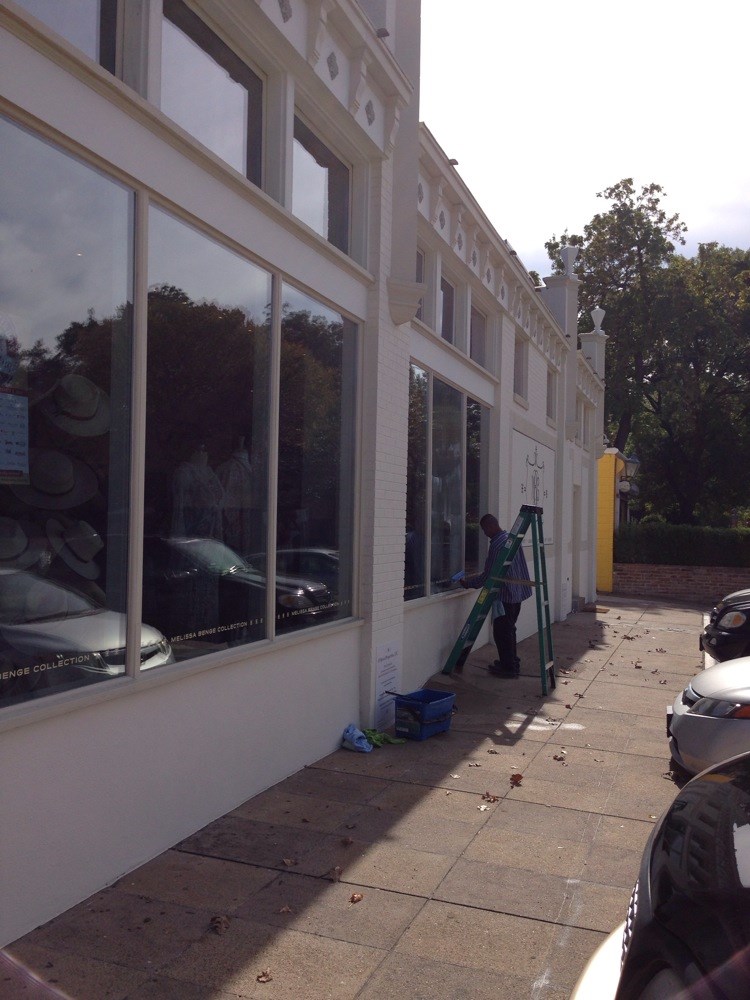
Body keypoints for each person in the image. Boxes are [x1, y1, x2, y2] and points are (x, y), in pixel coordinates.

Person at [461, 513, 532, 678]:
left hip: (506, 596)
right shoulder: (511, 539)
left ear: (491, 526)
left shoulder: (498, 545)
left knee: (501, 632)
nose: (485, 534)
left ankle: (509, 669)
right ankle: (511, 662)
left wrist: (469, 583)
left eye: (484, 530)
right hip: (517, 594)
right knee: (510, 629)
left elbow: (488, 576)